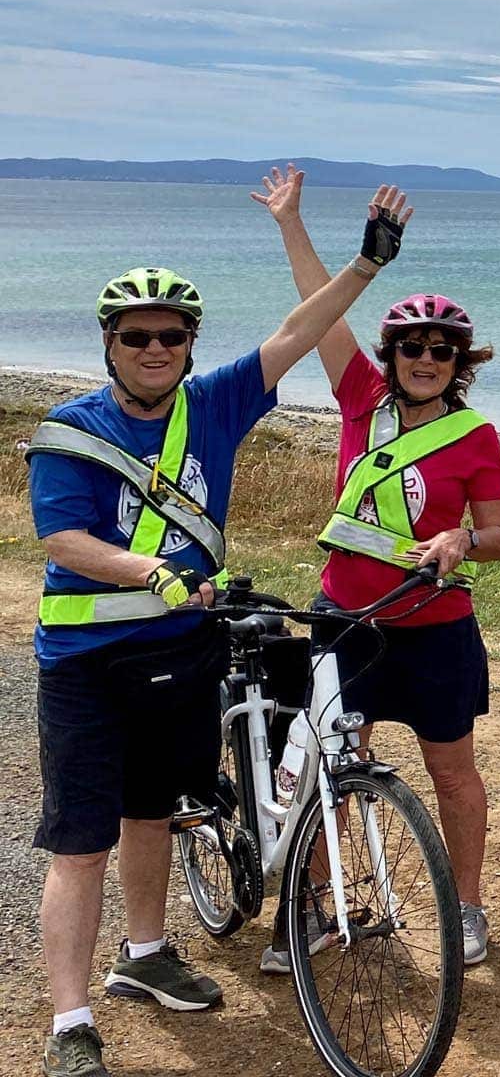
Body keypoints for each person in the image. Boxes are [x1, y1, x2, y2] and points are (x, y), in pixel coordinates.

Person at [29, 190, 410, 1077]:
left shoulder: (216, 403)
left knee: (154, 811)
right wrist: (149, 571)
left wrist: (367, 263)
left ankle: (146, 955)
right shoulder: (72, 431)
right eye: (136, 336)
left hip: (181, 653)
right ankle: (70, 1023)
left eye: (171, 335)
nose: (155, 349)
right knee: (82, 843)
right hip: (86, 664)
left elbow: (299, 331)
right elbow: (63, 540)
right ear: (109, 343)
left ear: (191, 342)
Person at [251, 165, 500, 969]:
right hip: (347, 622)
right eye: (412, 347)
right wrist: (292, 224)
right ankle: (319, 908)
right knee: (333, 767)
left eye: (441, 349)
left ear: (460, 361)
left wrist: (462, 540)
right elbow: (318, 310)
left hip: (437, 628)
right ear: (391, 355)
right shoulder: (359, 394)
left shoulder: (477, 438)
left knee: (452, 772)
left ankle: (467, 907)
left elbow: (499, 534)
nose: (425, 358)